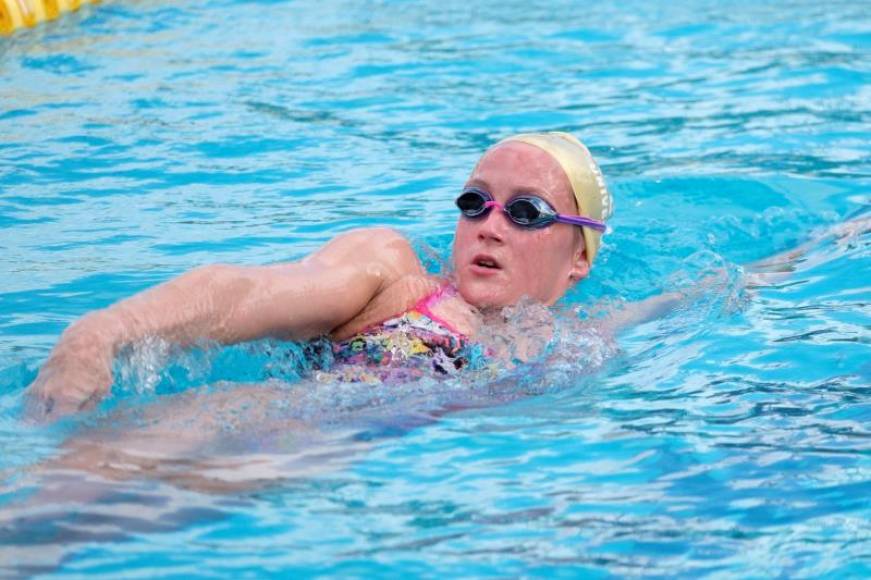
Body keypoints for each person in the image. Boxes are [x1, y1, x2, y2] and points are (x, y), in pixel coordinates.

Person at [24, 131, 671, 421]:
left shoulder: (576, 337)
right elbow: (240, 291)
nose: (489, 225)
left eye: (525, 211)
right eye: (473, 202)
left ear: (578, 259)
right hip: (261, 424)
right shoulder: (391, 275)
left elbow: (678, 305)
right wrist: (102, 331)